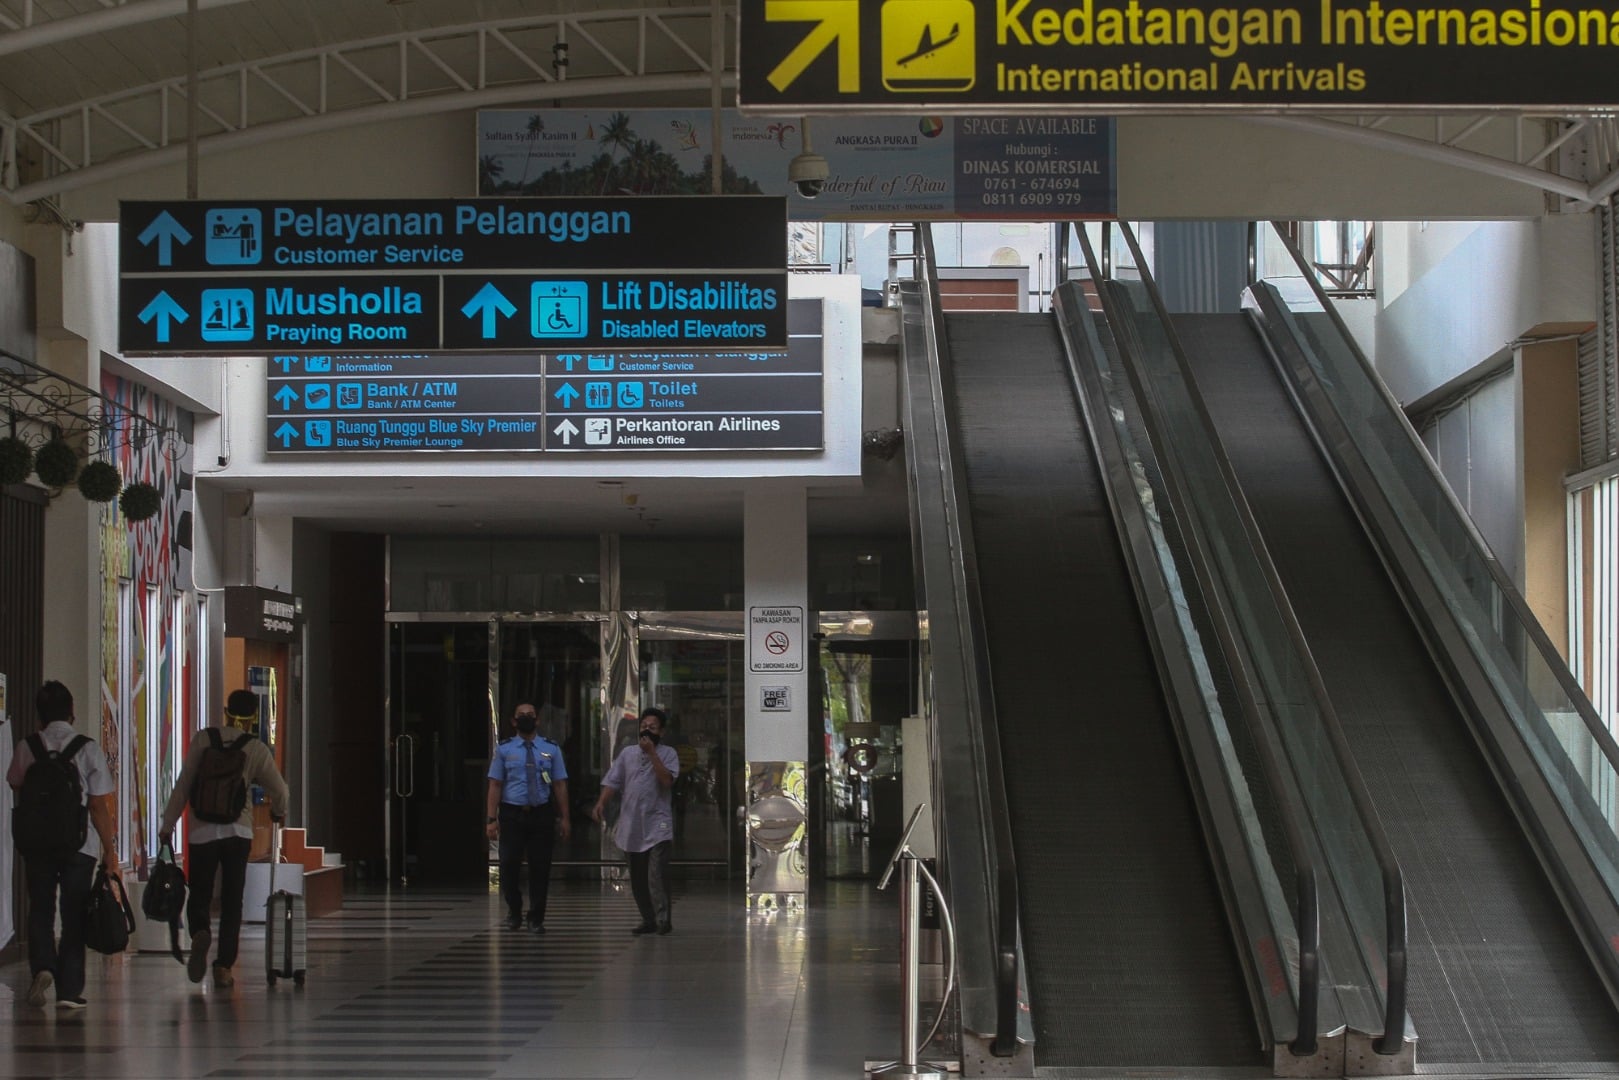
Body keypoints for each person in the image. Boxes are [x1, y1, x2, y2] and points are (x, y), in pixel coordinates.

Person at [161, 688, 289, 989]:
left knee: (201, 891)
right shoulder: (255, 748)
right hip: (238, 831)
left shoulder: (204, 739)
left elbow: (183, 784)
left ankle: (200, 931)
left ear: (227, 711)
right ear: (253, 717)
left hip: (201, 830)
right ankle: (223, 967)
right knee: (233, 900)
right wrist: (277, 814)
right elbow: (281, 791)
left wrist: (168, 823)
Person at [5, 681, 120, 1009]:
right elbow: (98, 806)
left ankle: (42, 966)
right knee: (73, 914)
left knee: (40, 907)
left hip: (37, 844)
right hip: (78, 847)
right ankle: (69, 990)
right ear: (71, 713)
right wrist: (110, 852)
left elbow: (15, 782)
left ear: (39, 715)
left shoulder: (27, 747)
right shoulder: (87, 748)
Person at [592, 707, 680, 936]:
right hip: (632, 823)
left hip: (658, 823)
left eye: (652, 728)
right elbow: (613, 781)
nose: (647, 731)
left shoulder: (668, 753)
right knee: (638, 877)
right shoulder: (627, 754)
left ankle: (663, 919)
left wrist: (652, 753)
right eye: (644, 727)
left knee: (656, 874)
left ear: (662, 731)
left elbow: (667, 781)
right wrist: (601, 802)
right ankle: (648, 919)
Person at [486, 702, 570, 933]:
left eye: (530, 715)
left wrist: (565, 817)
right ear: (514, 721)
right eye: (521, 715)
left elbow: (560, 784)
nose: (526, 718)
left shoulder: (551, 749)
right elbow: (495, 784)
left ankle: (536, 917)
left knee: (540, 867)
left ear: (538, 720)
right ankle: (514, 910)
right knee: (508, 864)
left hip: (541, 812)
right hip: (512, 813)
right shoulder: (504, 749)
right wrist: (491, 819)